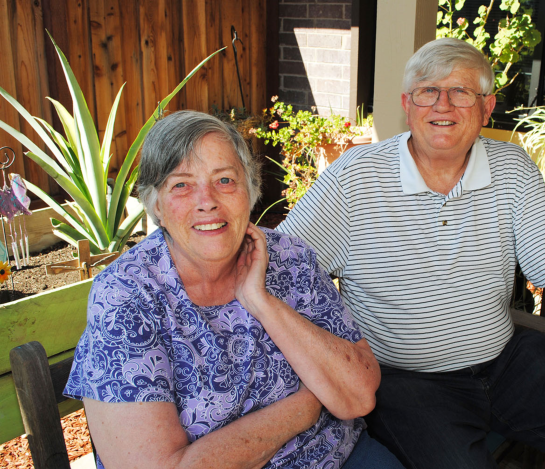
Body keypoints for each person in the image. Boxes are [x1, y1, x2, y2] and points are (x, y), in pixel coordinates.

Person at [276, 38, 545, 469]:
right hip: (406, 383)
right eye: (427, 91)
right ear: (407, 105)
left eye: (461, 92)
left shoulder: (513, 168)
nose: (442, 105)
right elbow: (281, 271)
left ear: (487, 108)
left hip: (511, 364)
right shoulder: (355, 179)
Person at [64, 111, 405, 469]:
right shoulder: (127, 296)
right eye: (181, 185)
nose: (207, 200)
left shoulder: (289, 257)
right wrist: (308, 405)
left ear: (250, 191)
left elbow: (358, 395)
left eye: (225, 180)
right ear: (157, 205)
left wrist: (261, 302)